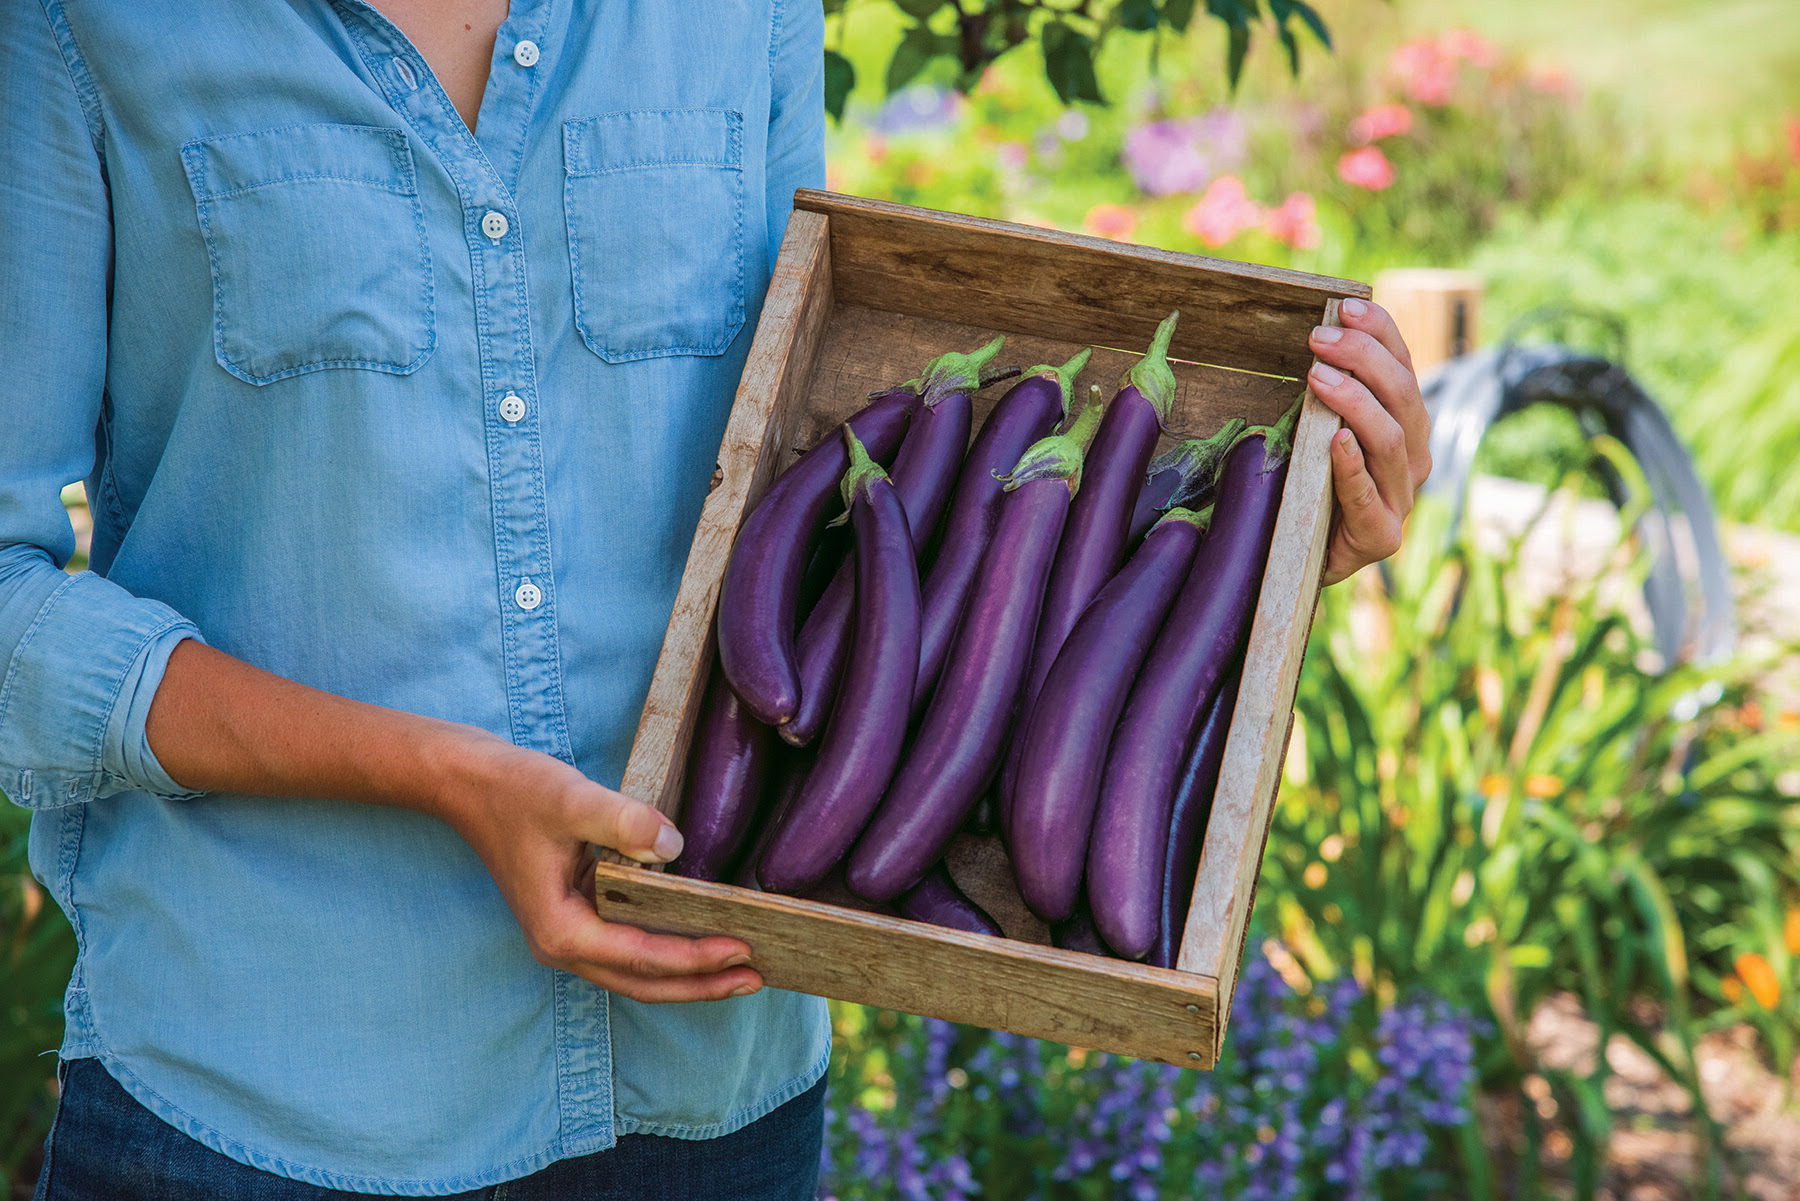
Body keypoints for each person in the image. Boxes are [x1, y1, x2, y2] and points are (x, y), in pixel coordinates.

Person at [3, 1, 1428, 1196]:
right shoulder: (78, 28)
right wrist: (440, 774)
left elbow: (805, 453)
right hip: (263, 1095)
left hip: (717, 1104)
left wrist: (1258, 548)